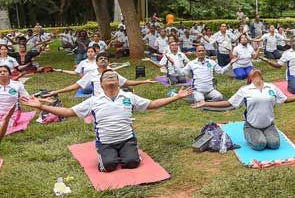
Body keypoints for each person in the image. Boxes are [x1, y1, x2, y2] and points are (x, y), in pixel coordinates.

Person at [22, 70, 191, 172]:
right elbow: (68, 112)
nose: (111, 77)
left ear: (118, 82)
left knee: (132, 163)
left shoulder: (128, 96)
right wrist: (42, 107)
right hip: (106, 142)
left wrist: (176, 97)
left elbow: (152, 104)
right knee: (108, 166)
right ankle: (107, 154)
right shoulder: (94, 100)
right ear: (101, 84)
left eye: (114, 76)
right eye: (107, 77)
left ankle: (127, 153)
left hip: (127, 139)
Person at [192, 69, 295, 150]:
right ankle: (248, 133)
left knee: (274, 145)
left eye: (258, 72)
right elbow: (229, 103)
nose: (255, 72)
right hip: (252, 125)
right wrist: (205, 104)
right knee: (260, 144)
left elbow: (286, 99)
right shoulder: (245, 90)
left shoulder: (272, 87)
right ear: (249, 78)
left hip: (269, 125)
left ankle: (264, 133)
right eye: (253, 73)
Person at [48, 53, 155, 98]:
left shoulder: (113, 73)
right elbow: (76, 86)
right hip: (99, 100)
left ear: (108, 62)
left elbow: (126, 82)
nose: (103, 60)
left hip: (114, 99)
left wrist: (144, 81)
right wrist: (56, 91)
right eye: (100, 58)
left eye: (105, 59)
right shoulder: (92, 74)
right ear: (97, 62)